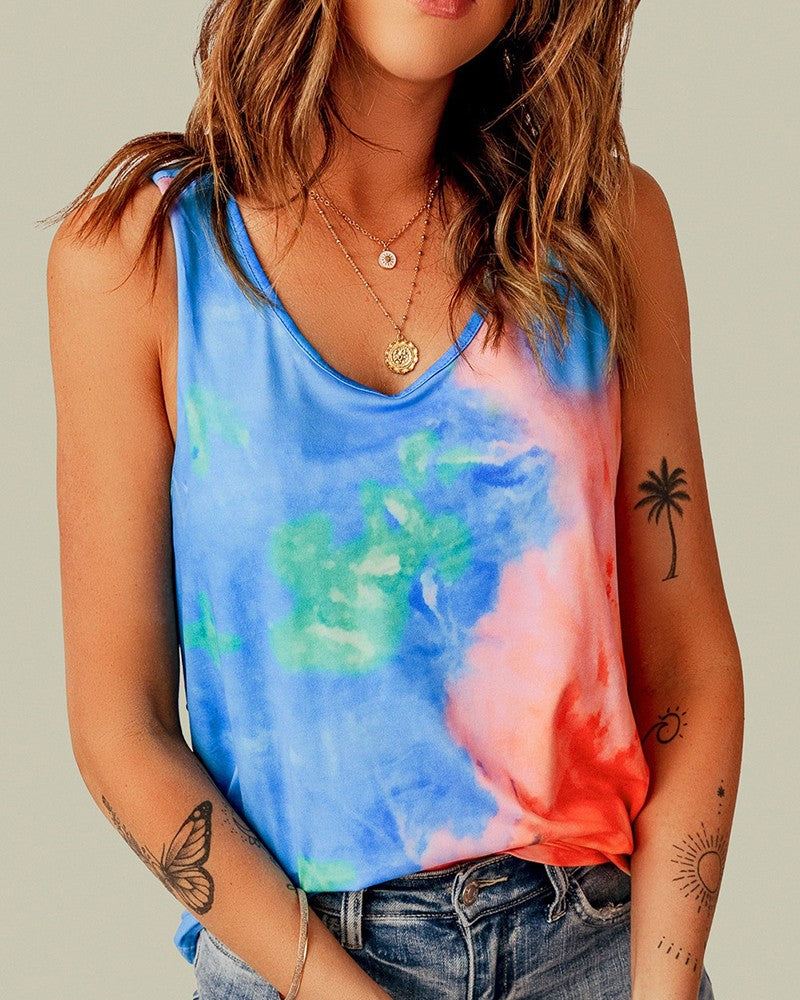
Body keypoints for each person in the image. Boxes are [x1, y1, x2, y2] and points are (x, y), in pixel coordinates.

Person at [46, 2, 744, 998]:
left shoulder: (603, 229)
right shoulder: (139, 259)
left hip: (596, 949)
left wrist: (663, 990)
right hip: (298, 965)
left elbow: (688, 666)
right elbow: (121, 726)